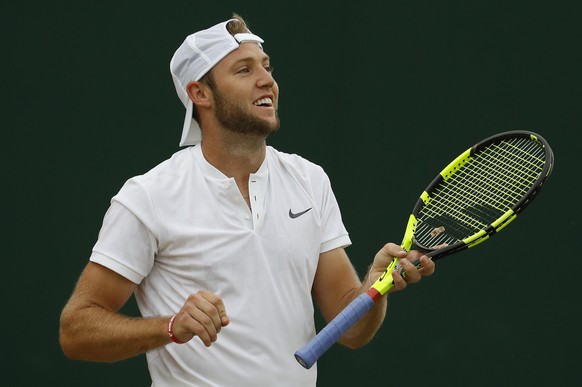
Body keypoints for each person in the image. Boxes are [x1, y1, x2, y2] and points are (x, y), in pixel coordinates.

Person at [59, 14, 435, 387]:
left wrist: (375, 284)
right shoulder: (148, 196)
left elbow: (350, 331)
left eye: (267, 67)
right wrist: (171, 327)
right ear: (200, 93)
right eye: (243, 70)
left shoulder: (309, 180)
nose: (266, 80)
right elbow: (76, 331)